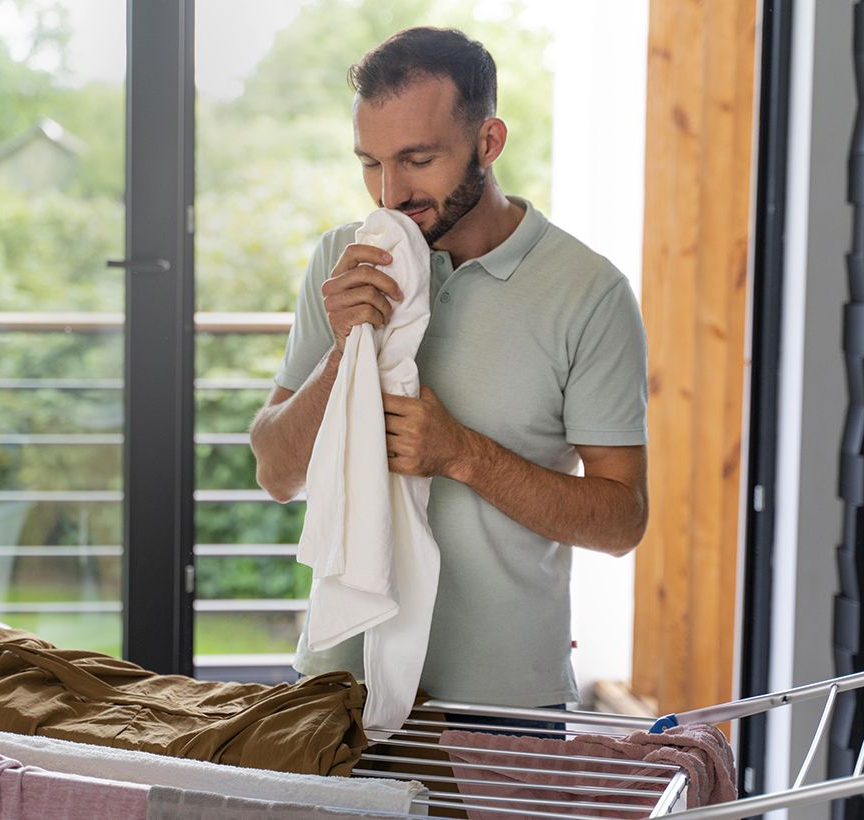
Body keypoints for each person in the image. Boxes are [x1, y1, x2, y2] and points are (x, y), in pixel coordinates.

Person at [248, 26, 649, 713]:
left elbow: (621, 521)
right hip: (339, 683)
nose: (388, 192)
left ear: (488, 143)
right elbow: (276, 473)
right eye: (370, 163)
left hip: (503, 702)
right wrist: (347, 350)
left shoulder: (589, 293)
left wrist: (462, 454)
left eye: (417, 159)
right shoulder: (345, 260)